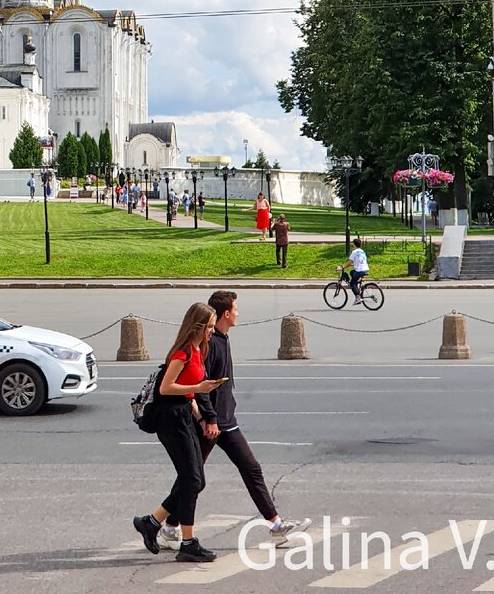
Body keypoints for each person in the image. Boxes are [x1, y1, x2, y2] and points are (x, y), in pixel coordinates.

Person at [161, 291, 309, 550]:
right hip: (213, 424)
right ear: (226, 314)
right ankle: (166, 526)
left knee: (248, 469)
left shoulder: (221, 339)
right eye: (236, 309)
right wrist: (209, 419)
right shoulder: (212, 344)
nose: (238, 313)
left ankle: (276, 525)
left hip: (225, 420)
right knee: (192, 479)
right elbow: (202, 386)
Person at [132, 302, 223, 563]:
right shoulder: (181, 353)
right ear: (197, 326)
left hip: (184, 417)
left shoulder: (197, 351)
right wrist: (199, 386)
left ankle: (151, 523)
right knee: (192, 479)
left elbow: (190, 395)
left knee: (196, 481)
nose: (212, 333)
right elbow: (167, 388)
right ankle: (188, 542)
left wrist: (203, 418)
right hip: (170, 421)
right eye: (209, 327)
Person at [343, 237, 369, 305]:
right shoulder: (362, 251)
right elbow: (358, 261)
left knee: (352, 283)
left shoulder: (354, 252)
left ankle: (358, 297)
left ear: (354, 245)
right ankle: (357, 283)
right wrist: (352, 265)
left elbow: (349, 262)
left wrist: (343, 267)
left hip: (359, 270)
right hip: (365, 269)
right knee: (352, 272)